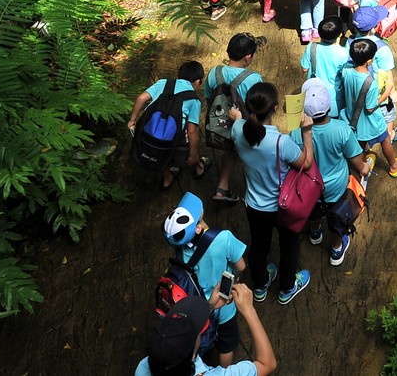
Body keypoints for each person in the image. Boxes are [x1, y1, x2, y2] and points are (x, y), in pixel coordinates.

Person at [231, 82, 315, 305]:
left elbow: (237, 124)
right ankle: (287, 288)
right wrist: (307, 132)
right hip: (281, 206)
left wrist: (236, 117)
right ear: (276, 108)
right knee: (289, 246)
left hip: (254, 206)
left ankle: (260, 285)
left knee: (259, 245)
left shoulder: (238, 130)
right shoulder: (280, 142)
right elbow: (305, 163)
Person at [162, 192, 247, 368]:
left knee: (202, 337)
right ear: (198, 228)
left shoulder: (179, 250)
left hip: (198, 308)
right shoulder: (223, 238)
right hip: (224, 304)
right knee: (227, 343)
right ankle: (223, 371)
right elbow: (241, 266)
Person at [289, 77, 369, 265]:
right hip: (336, 188)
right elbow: (356, 160)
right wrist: (364, 168)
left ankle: (315, 232)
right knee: (337, 219)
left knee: (314, 211)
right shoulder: (341, 129)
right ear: (329, 106)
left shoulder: (295, 133)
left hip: (309, 189)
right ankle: (336, 249)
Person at [133, 287, 277, 376]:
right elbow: (267, 364)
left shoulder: (143, 367)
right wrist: (249, 311)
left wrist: (210, 307)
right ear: (193, 356)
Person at [336, 35, 397, 178]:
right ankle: (394, 165)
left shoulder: (346, 71)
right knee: (385, 140)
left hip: (354, 118)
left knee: (360, 142)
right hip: (371, 122)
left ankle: (364, 164)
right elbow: (370, 108)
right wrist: (387, 91)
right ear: (370, 61)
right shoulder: (369, 82)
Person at [127, 61, 206, 190]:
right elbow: (192, 132)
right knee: (187, 144)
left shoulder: (163, 83)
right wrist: (193, 154)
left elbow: (140, 99)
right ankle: (198, 167)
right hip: (173, 139)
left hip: (149, 131)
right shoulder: (193, 100)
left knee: (161, 150)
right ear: (198, 82)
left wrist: (132, 120)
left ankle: (167, 179)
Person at [207, 33, 264, 204]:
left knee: (231, 151)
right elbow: (259, 107)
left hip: (220, 127)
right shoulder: (253, 79)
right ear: (248, 57)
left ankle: (221, 189)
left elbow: (209, 99)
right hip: (245, 127)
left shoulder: (214, 72)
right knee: (253, 156)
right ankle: (256, 193)